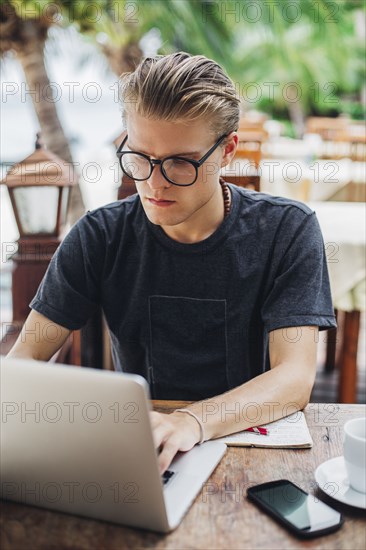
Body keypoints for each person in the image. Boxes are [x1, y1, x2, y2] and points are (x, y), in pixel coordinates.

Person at [7, 52, 337, 473]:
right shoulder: (99, 235)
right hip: (144, 450)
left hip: (254, 446)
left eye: (181, 162)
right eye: (139, 156)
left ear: (228, 150)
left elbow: (294, 379)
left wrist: (191, 422)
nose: (153, 182)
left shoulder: (287, 231)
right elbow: (25, 360)